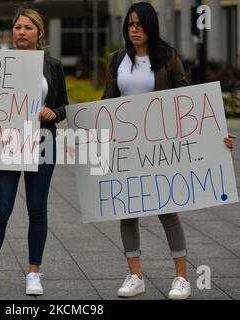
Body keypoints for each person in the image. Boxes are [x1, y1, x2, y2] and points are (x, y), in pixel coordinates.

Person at [102, 1, 236, 300]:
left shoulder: (166, 57)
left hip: (160, 147)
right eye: (130, 24)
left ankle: (182, 277)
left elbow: (187, 100)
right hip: (127, 147)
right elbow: (106, 102)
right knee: (128, 211)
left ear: (151, 26)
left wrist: (214, 135)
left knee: (167, 209)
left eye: (139, 24)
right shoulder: (117, 60)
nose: (133, 29)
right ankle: (135, 275)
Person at [0, 8, 68, 296]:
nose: (22, 32)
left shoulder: (52, 66)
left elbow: (64, 106)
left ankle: (33, 274)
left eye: (28, 27)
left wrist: (54, 112)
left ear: (39, 33)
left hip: (42, 142)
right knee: (1, 209)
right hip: (8, 141)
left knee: (37, 210)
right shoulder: (0, 64)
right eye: (17, 27)